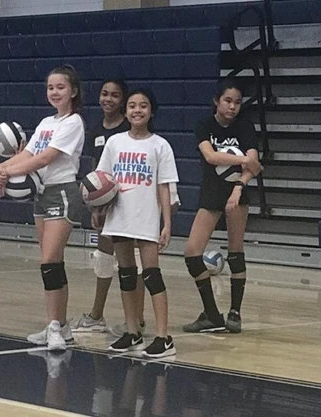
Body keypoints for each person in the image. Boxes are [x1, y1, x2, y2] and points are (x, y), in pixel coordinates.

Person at [0, 65, 85, 351]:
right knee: (52, 263)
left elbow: (45, 158)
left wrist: (7, 172)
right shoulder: (46, 123)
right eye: (50, 88)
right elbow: (28, 153)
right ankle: (59, 325)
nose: (55, 92)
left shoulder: (73, 122)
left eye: (60, 87)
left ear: (73, 91)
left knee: (49, 260)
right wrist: (0, 169)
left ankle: (55, 326)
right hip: (42, 195)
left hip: (63, 194)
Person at [96, 89, 179, 358]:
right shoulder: (115, 143)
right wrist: (97, 209)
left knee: (152, 275)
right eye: (132, 105)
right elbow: (102, 179)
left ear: (151, 111)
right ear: (126, 111)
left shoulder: (160, 146)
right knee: (127, 274)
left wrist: (166, 224)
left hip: (146, 219)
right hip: (119, 216)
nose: (137, 110)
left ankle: (164, 337)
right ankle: (132, 332)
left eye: (143, 106)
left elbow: (164, 187)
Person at [182, 80, 261, 334]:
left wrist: (240, 184)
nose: (233, 107)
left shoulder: (245, 126)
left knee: (235, 251)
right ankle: (212, 313)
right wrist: (243, 160)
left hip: (236, 193)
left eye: (237, 102)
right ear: (217, 101)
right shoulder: (204, 125)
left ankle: (235, 313)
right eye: (228, 101)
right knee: (192, 253)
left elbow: (255, 167)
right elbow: (211, 156)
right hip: (212, 193)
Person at [71, 79, 146, 335]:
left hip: (133, 203)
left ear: (123, 102)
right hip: (108, 205)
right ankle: (96, 315)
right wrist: (96, 206)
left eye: (115, 95)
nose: (108, 99)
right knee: (103, 256)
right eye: (105, 94)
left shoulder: (131, 127)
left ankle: (138, 318)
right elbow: (97, 174)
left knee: (133, 261)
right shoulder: (95, 131)